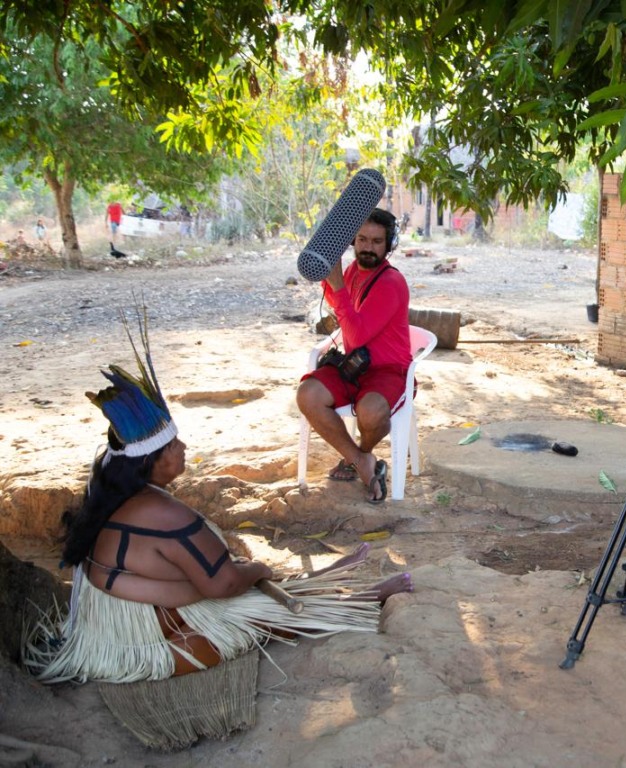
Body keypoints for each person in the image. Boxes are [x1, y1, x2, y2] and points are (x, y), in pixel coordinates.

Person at [24, 309, 413, 685]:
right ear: (151, 462)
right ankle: (356, 601)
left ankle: (324, 583)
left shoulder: (110, 492)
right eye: (173, 445)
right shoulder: (162, 513)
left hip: (116, 626)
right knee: (256, 613)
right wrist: (258, 571)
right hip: (140, 641)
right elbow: (222, 585)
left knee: (240, 586)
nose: (183, 447)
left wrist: (217, 579)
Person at [297, 208, 411, 503]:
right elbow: (339, 304)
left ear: (389, 245)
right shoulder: (351, 272)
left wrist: (336, 286)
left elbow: (358, 333)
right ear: (353, 240)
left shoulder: (391, 282)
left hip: (387, 370)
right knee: (308, 394)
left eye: (376, 241)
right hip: (354, 366)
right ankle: (361, 460)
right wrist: (327, 276)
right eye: (362, 239)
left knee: (372, 411)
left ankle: (361, 451)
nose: (368, 247)